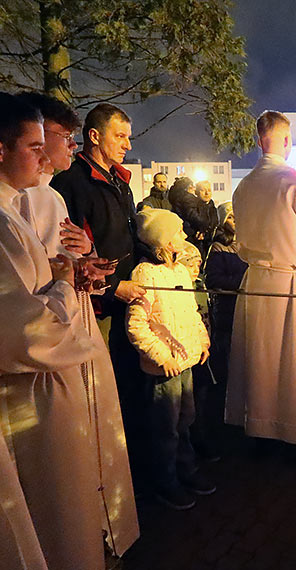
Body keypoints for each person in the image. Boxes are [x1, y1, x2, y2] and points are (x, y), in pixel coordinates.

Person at [17, 91, 139, 556]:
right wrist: (77, 271)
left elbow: (72, 249)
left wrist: (86, 261)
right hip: (51, 342)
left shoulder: (57, 192)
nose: (64, 147)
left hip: (79, 310)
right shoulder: (50, 191)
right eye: (57, 137)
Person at [0, 92, 104, 569]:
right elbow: (27, 331)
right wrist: (66, 282)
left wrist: (80, 263)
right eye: (34, 146)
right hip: (29, 383)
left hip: (51, 357)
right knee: (49, 495)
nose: (43, 158)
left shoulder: (20, 203)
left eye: (49, 144)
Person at [225, 110, 296, 459]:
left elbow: (240, 238)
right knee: (293, 360)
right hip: (292, 282)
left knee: (260, 359)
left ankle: (259, 428)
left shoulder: (244, 186)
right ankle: (293, 435)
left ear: (260, 141)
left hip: (257, 280)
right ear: (286, 141)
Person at [51, 103, 151, 492]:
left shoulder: (121, 182)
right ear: (94, 137)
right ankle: (105, 479)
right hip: (98, 306)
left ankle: (131, 471)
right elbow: (68, 253)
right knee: (103, 393)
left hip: (128, 297)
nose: (127, 144)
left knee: (130, 386)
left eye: (128, 136)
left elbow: (124, 237)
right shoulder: (71, 184)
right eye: (120, 136)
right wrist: (111, 287)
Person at [126, 208, 214, 509]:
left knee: (185, 421)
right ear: (162, 239)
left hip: (187, 360)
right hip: (166, 369)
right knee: (165, 428)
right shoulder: (145, 274)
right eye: (178, 232)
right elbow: (137, 325)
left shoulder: (179, 272)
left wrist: (201, 341)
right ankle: (165, 482)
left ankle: (186, 470)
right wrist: (162, 356)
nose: (185, 236)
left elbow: (191, 311)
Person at [204, 201, 247, 429]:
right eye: (231, 217)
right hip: (229, 311)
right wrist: (242, 283)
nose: (236, 220)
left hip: (247, 309)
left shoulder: (249, 243)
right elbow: (213, 280)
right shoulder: (219, 247)